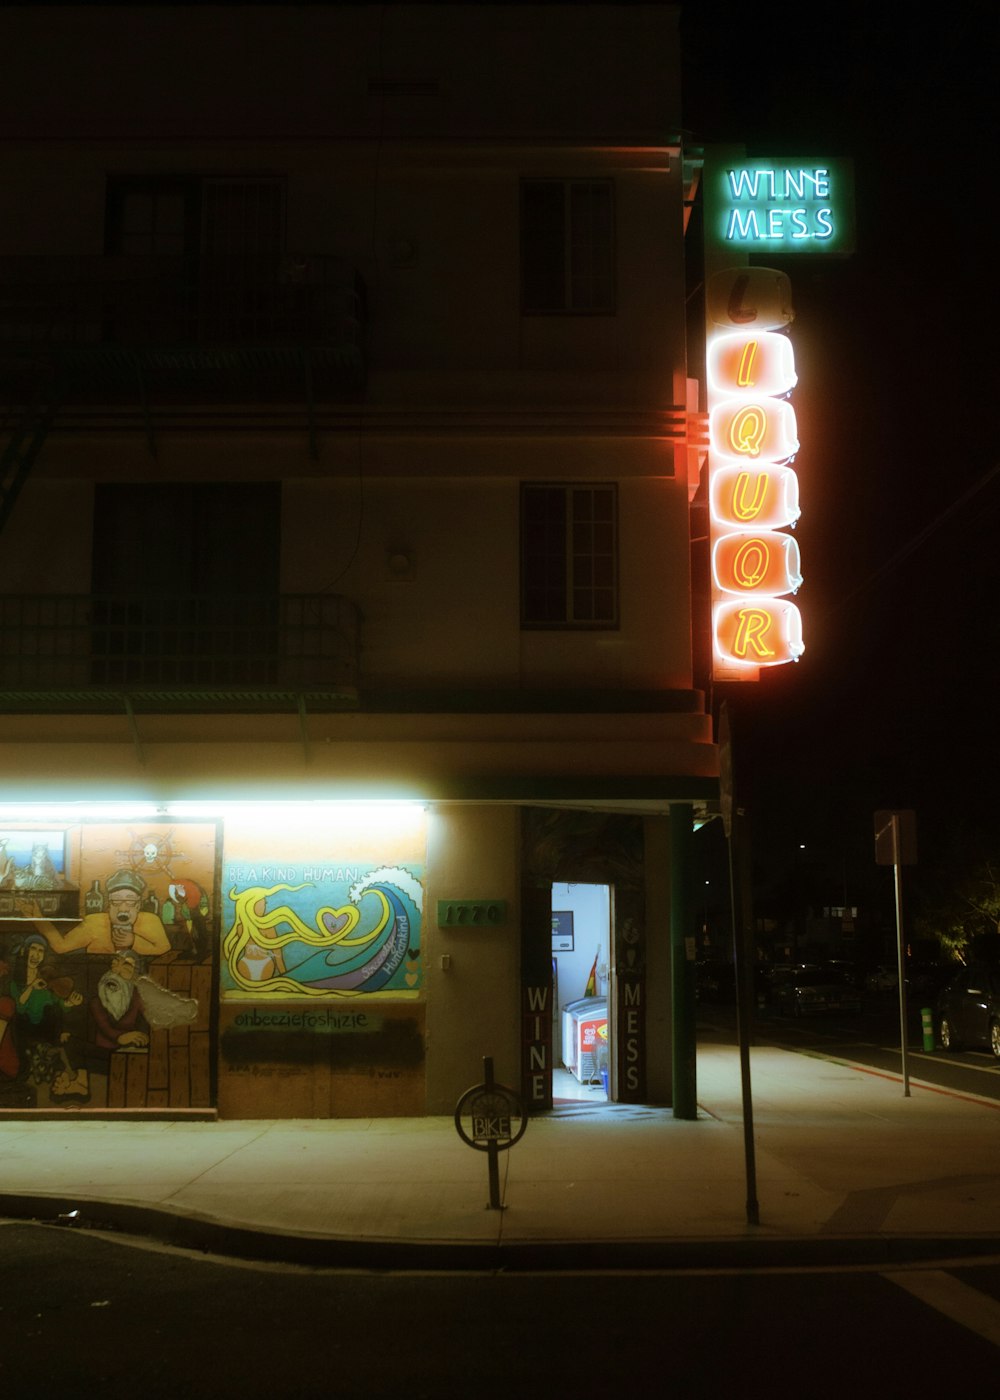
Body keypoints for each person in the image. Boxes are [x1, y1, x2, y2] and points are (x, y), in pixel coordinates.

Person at [35, 867, 170, 957]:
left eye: (130, 902)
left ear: (138, 905)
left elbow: (165, 949)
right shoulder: (94, 922)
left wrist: (134, 941)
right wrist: (36, 917)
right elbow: (61, 946)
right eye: (116, 901)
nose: (123, 908)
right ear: (108, 905)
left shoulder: (150, 921)